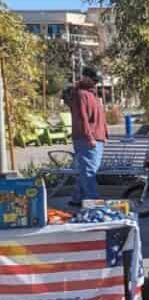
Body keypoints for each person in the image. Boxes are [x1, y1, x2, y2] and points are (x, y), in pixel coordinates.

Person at [62, 66, 108, 207]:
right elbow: (82, 118)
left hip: (96, 138)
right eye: (94, 79)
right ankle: (93, 201)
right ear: (85, 77)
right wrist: (90, 138)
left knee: (87, 170)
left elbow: (100, 117)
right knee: (89, 172)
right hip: (88, 139)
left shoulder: (92, 94)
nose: (95, 82)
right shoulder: (81, 94)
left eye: (97, 80)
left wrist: (104, 134)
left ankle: (77, 198)